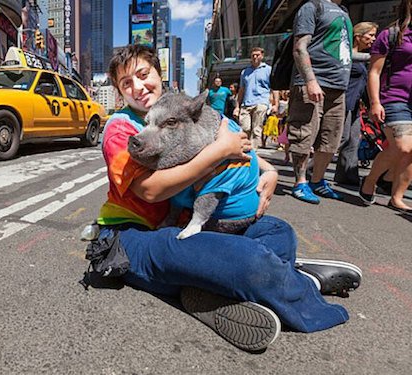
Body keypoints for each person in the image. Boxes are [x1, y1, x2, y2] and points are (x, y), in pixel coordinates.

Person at [92, 45, 361, 353]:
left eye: (143, 75)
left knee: (279, 231)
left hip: (190, 226)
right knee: (250, 261)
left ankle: (213, 289)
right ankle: (303, 284)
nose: (138, 87)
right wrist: (220, 151)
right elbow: (152, 190)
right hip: (134, 237)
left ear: (159, 74)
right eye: (127, 83)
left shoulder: (179, 110)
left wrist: (269, 170)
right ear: (118, 90)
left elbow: (233, 143)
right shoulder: (121, 128)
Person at [287, 0, 353, 204]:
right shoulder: (313, 7)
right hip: (313, 83)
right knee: (303, 135)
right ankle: (300, 182)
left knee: (331, 139)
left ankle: (317, 181)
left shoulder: (343, 11)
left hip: (338, 87)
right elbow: (299, 48)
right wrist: (310, 80)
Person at [359, 0, 412, 214]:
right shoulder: (392, 34)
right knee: (403, 146)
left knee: (411, 151)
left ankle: (396, 197)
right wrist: (375, 102)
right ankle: (371, 180)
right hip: (394, 97)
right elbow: (374, 72)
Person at [334, 22, 378, 186]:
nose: (373, 39)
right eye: (370, 35)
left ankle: (348, 175)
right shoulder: (347, 55)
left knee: (353, 140)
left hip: (355, 104)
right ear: (358, 36)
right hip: (343, 101)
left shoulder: (363, 57)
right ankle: (312, 170)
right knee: (340, 138)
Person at [233, 47, 277, 149]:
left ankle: (253, 153)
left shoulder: (268, 70)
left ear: (262, 56)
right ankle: (245, 149)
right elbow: (241, 90)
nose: (255, 57)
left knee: (257, 130)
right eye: (253, 55)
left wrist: (275, 104)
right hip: (246, 103)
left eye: (257, 55)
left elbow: (275, 88)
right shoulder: (245, 72)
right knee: (244, 128)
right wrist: (237, 107)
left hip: (261, 102)